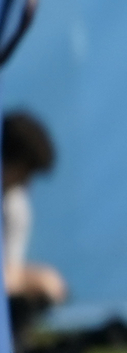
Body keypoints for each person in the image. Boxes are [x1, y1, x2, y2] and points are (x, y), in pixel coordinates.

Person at [3, 111, 64, 338]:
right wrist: (35, 280)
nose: (27, 184)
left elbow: (9, 277)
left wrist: (38, 279)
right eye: (25, 172)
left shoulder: (15, 206)